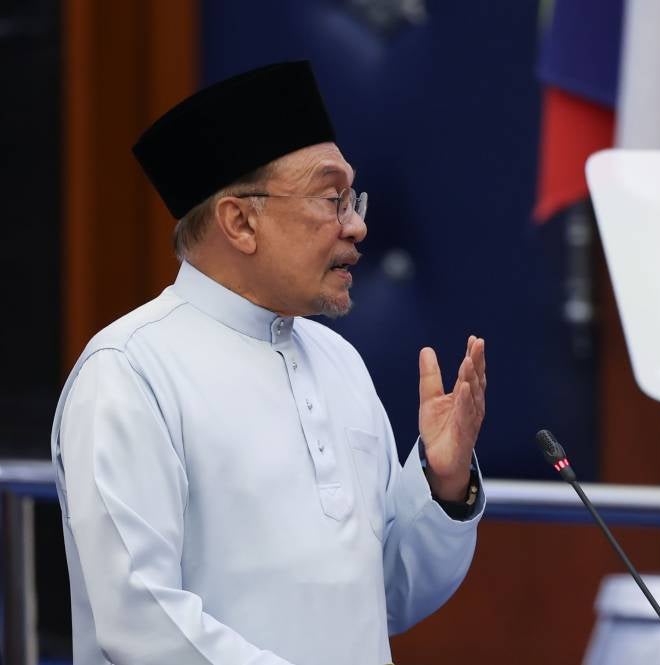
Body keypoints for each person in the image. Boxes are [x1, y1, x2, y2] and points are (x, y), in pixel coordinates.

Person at [50, 61, 486, 665]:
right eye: (331, 199)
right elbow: (139, 622)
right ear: (240, 221)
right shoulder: (129, 372)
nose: (356, 225)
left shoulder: (339, 361)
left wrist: (443, 486)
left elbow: (385, 597)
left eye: (352, 199)